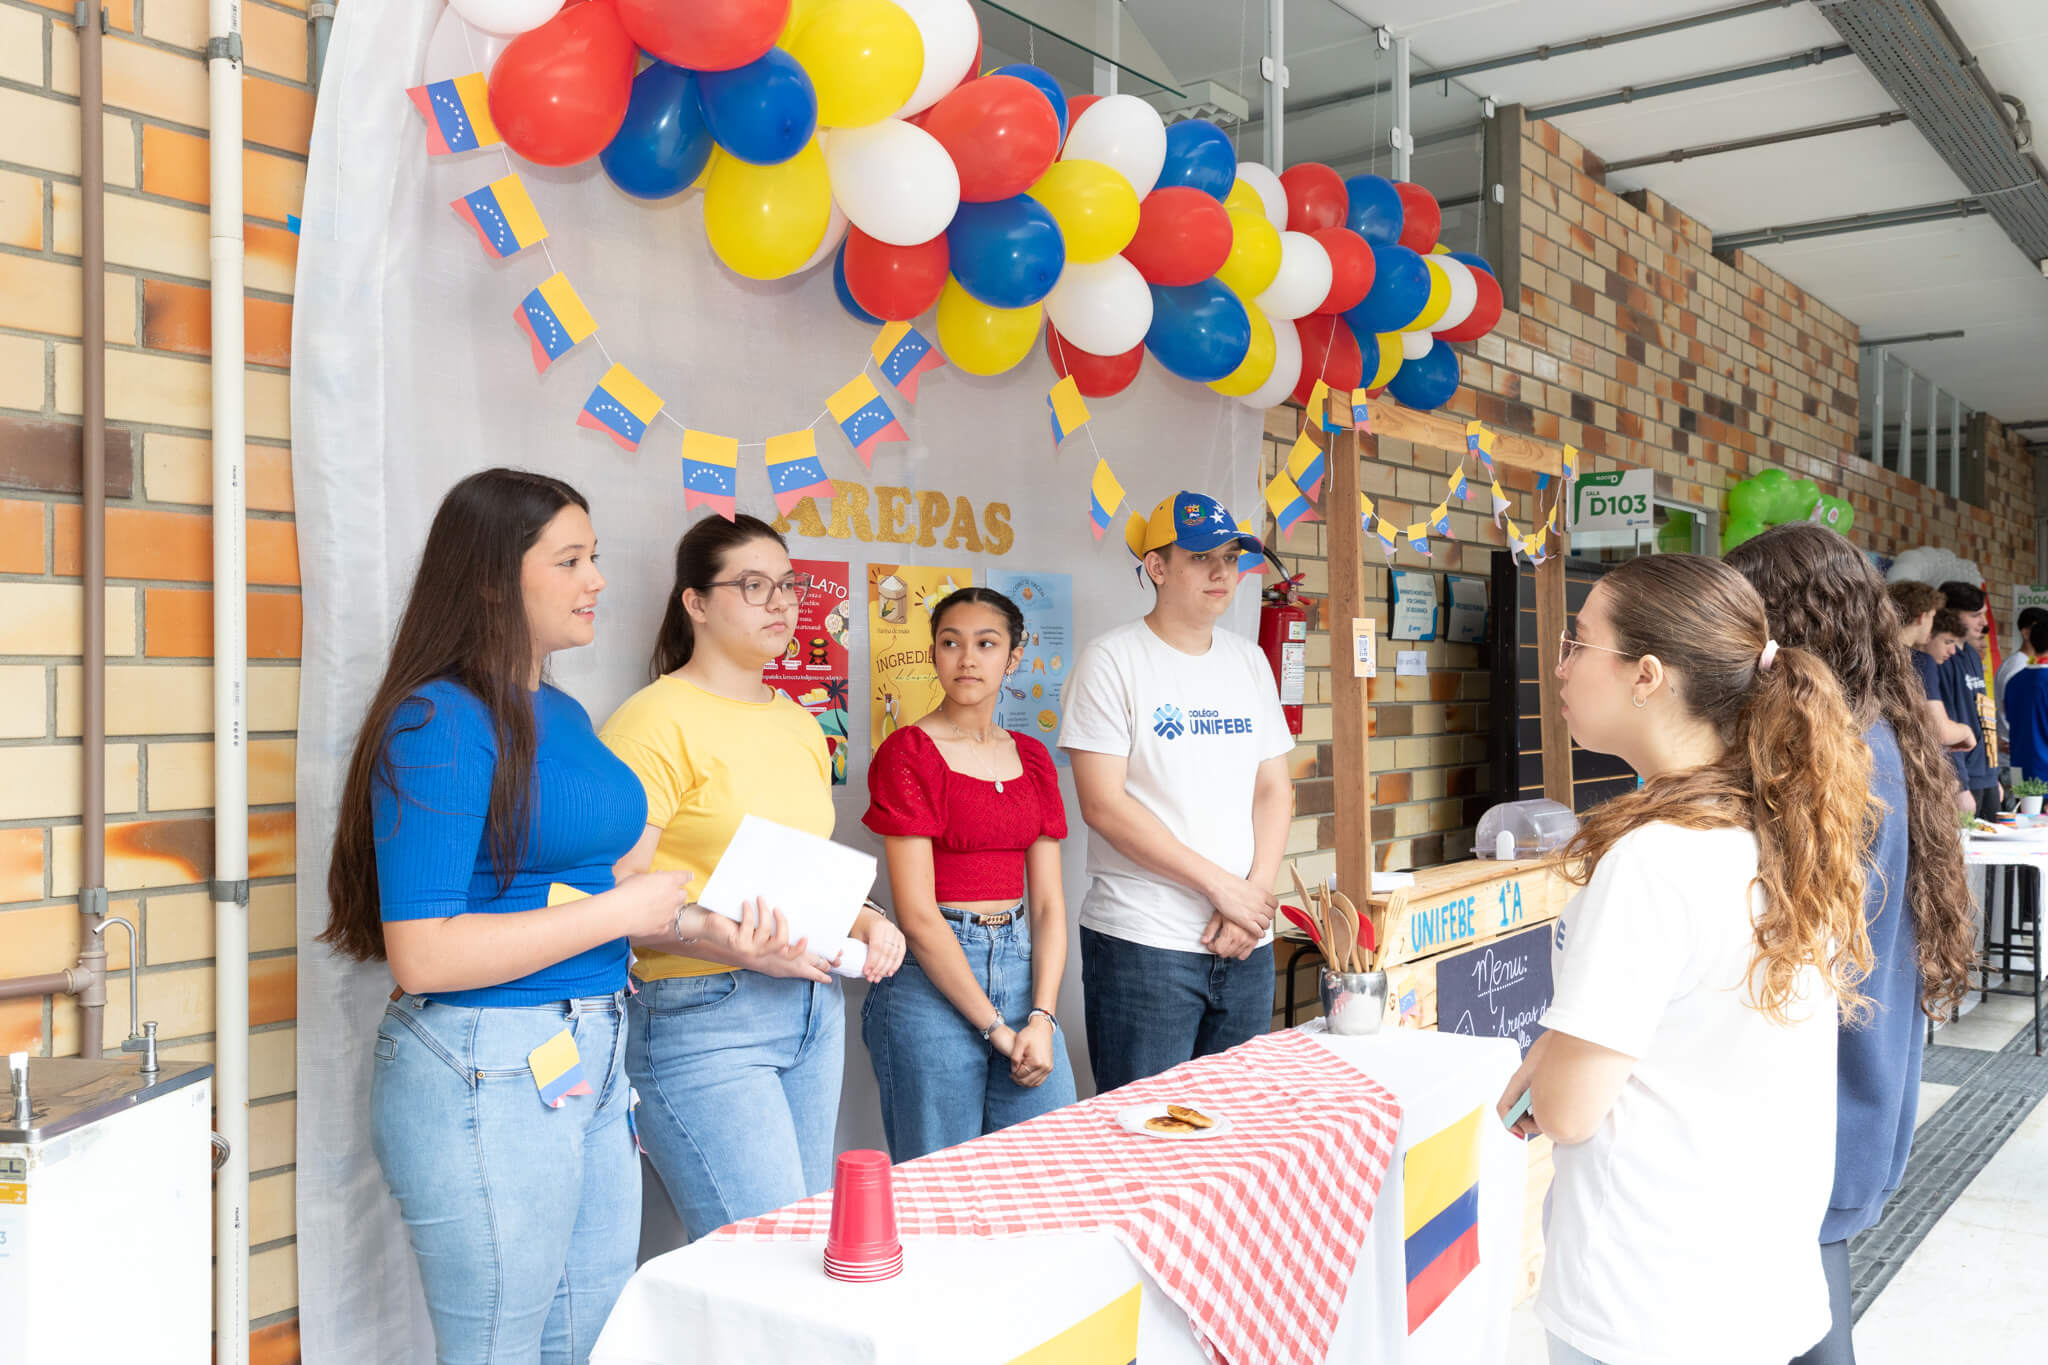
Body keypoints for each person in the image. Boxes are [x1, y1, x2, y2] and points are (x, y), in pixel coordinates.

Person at [322, 469, 726, 1365]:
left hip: (586, 1049)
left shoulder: (565, 712)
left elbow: (609, 884)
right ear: (492, 578)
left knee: (583, 1341)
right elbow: (422, 956)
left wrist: (721, 927)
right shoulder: (437, 721)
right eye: (571, 559)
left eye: (596, 557)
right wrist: (624, 908)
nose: (598, 581)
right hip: (484, 1065)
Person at [1496, 554, 1876, 1365]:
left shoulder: (1654, 857)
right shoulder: (1776, 830)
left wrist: (1552, 1061)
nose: (1560, 665)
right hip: (1749, 1283)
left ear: (1648, 675)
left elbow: (1565, 1110)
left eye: (1577, 641)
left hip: (1647, 1300)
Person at [601, 514, 906, 1244]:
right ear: (696, 603)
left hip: (810, 1004)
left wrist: (864, 916)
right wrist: (733, 944)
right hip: (701, 1012)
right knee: (766, 1259)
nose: (780, 602)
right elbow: (613, 898)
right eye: (753, 585)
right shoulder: (652, 723)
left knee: (809, 1247)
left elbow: (799, 867)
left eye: (788, 585)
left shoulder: (800, 722)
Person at [1726, 525, 1975, 1365]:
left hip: (1824, 1088)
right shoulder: (1877, 732)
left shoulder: (1831, 755)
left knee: (1809, 1320)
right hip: (1858, 1080)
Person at [1059, 491, 1293, 1092]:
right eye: (1200, 558)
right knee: (1144, 1137)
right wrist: (1223, 889)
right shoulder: (1112, 660)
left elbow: (1273, 789)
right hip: (1145, 943)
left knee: (1234, 1130)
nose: (1222, 572)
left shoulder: (1249, 662)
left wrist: (1255, 898)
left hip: (1247, 944)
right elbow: (1103, 806)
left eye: (1231, 557)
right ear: (1157, 568)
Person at [861, 587, 1077, 1159]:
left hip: (1020, 965)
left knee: (1045, 1165)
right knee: (940, 1176)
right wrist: (996, 1029)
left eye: (986, 644)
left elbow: (1051, 906)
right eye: (950, 643)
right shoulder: (909, 752)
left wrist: (1041, 1017)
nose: (966, 658)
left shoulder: (1032, 757)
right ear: (933, 653)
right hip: (931, 976)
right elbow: (916, 914)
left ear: (1013, 657)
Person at [1934, 580, 2000, 818]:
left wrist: (1994, 774)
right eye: (1975, 615)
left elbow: (1982, 714)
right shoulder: (1940, 657)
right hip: (1963, 777)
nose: (1983, 623)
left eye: (1984, 614)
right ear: (1951, 614)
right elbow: (1944, 724)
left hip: (1985, 774)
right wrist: (1959, 784)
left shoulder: (1971, 653)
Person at [1912, 609, 1979, 764]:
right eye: (1948, 642)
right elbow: (1941, 731)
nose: (1952, 651)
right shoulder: (1924, 663)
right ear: (1928, 635)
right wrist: (1966, 731)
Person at [2002, 618, 2048, 783]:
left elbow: (2008, 717)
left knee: (2022, 809)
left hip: (2019, 769)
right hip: (2044, 770)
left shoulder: (2014, 680)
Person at [1995, 606, 2047, 745]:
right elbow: (2018, 715)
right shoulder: (2017, 667)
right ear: (2025, 633)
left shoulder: (2031, 663)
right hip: (2018, 751)